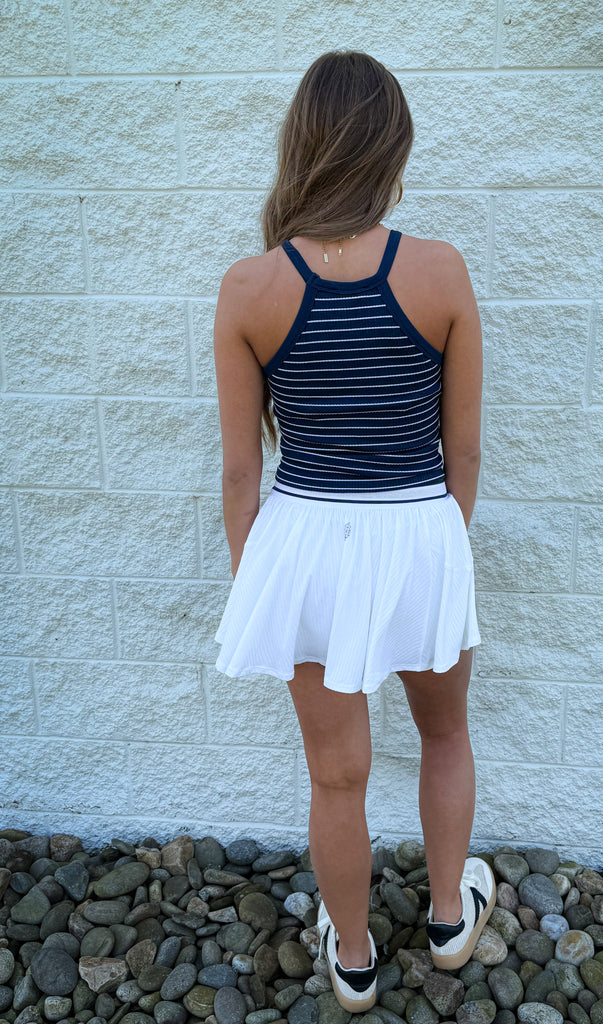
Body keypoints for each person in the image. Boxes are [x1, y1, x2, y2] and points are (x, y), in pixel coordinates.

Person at [212, 50, 495, 1011]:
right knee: (445, 733)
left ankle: (357, 960)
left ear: (300, 144)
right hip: (419, 526)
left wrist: (264, 582)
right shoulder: (440, 271)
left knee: (336, 778)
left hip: (304, 544)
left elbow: (242, 472)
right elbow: (463, 454)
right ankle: (449, 922)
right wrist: (432, 545)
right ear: (393, 147)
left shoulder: (249, 287)